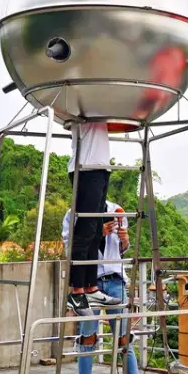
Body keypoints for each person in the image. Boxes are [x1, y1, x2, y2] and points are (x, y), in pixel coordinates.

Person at [62, 200, 145, 374]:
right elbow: (70, 248)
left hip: (115, 280)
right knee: (87, 338)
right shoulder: (75, 213)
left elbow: (121, 250)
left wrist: (124, 240)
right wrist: (96, 234)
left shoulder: (116, 209)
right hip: (89, 282)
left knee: (124, 338)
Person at [65, 122, 122, 315]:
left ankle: (91, 287)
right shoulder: (88, 106)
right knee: (85, 229)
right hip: (86, 169)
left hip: (100, 168)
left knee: (95, 232)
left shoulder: (101, 116)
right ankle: (77, 290)